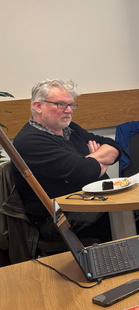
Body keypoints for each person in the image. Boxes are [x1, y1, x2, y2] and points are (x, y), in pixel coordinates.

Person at [12, 79, 120, 242]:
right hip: (58, 218)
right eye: (61, 104)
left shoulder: (70, 129)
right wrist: (91, 164)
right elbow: (83, 172)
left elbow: (114, 147)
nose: (69, 110)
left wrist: (88, 162)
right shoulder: (29, 141)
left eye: (71, 105)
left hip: (89, 203)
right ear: (38, 106)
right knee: (125, 217)